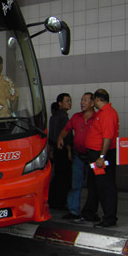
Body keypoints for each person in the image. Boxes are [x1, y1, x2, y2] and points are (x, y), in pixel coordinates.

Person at [56, 92, 96, 221]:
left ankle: (91, 212)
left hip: (93, 157)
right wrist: (60, 138)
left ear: (93, 103)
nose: (82, 102)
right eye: (82, 100)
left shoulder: (98, 118)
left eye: (85, 100)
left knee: (94, 186)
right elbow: (66, 129)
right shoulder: (76, 117)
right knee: (75, 184)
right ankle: (74, 211)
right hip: (78, 156)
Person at [83, 89, 119, 228]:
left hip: (102, 155)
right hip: (95, 155)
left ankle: (109, 218)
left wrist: (101, 157)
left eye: (93, 100)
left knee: (106, 187)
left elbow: (107, 137)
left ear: (97, 99)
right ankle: (89, 212)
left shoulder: (108, 114)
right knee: (94, 185)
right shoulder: (102, 113)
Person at [47, 93, 72, 209]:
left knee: (57, 175)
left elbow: (51, 136)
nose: (69, 103)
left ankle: (53, 200)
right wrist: (69, 151)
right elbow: (67, 137)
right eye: (67, 101)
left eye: (70, 100)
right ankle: (61, 201)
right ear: (60, 104)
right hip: (63, 149)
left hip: (55, 149)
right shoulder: (64, 117)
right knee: (64, 177)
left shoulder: (53, 117)